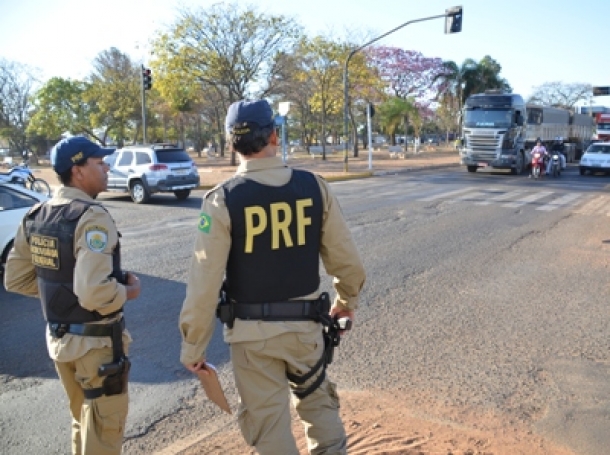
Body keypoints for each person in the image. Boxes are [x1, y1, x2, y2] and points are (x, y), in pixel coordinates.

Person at [179, 99, 366, 455]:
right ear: (275, 137)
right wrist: (346, 302)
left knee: (268, 424)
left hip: (252, 339)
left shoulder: (222, 201)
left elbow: (204, 282)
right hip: (306, 330)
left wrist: (194, 346)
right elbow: (347, 261)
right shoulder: (314, 187)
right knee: (318, 404)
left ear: (232, 144)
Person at [4, 136, 141, 455]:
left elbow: (16, 279)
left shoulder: (36, 214)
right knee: (103, 434)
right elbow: (94, 291)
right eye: (99, 162)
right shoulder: (91, 216)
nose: (107, 168)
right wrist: (129, 291)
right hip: (96, 348)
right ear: (77, 171)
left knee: (83, 423)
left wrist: (66, 298)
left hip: (60, 341)